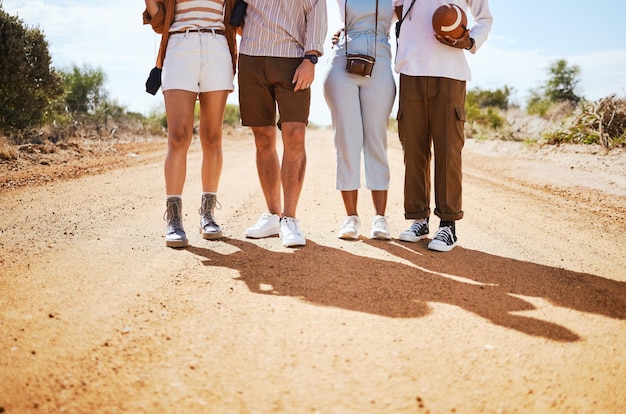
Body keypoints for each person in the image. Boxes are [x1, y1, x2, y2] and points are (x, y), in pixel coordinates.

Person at [394, 0, 492, 251]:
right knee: (413, 148)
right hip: (411, 70)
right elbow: (394, 11)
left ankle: (448, 225)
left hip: (451, 73)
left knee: (448, 149)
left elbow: (485, 19)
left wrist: (469, 41)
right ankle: (419, 218)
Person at [143, 0, 238, 248]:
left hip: (218, 46)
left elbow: (242, 20)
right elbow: (159, 23)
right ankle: (174, 219)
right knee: (177, 136)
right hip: (178, 47)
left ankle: (208, 214)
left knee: (212, 136)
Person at [238, 0, 327, 247]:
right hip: (251, 57)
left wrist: (311, 59)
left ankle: (290, 218)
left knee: (295, 134)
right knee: (263, 138)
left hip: (293, 58)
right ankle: (273, 215)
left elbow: (317, 9)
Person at [324, 0, 399, 241]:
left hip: (380, 61)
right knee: (347, 140)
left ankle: (380, 218)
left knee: (376, 140)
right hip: (342, 62)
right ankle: (351, 218)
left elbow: (410, 18)